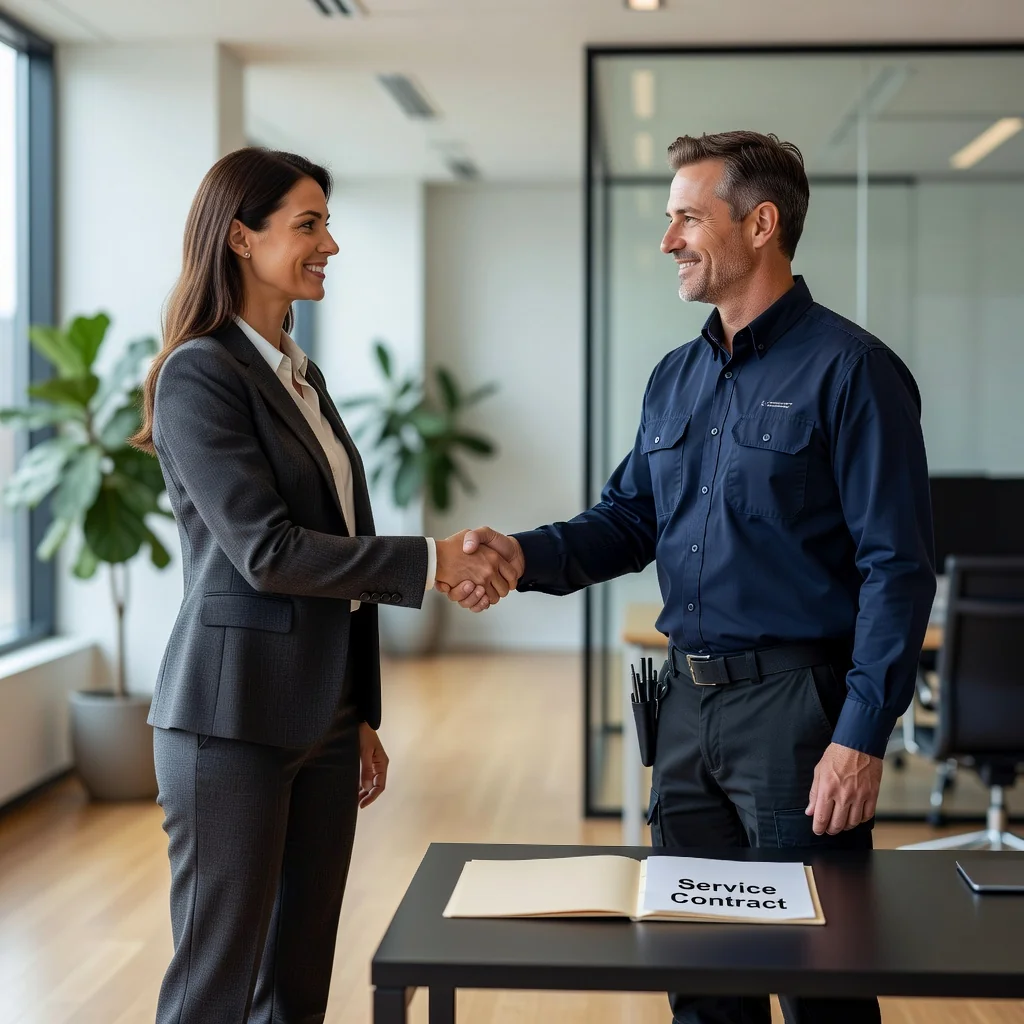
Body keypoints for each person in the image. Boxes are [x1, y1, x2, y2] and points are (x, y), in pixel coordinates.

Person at [440, 131, 936, 1024]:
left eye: (687, 219)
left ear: (761, 224)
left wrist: (861, 737)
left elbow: (897, 568)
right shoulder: (676, 377)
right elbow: (629, 520)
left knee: (819, 982)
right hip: (685, 712)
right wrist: (520, 554)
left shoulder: (854, 372)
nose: (668, 240)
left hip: (798, 717)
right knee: (700, 979)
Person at [132, 147, 517, 1024]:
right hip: (230, 721)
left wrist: (354, 713)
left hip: (320, 718)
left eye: (328, 225)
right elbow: (267, 553)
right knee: (215, 987)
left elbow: (335, 546)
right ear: (241, 237)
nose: (330, 245)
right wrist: (433, 561)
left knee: (299, 985)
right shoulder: (200, 372)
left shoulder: (300, 376)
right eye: (308, 225)